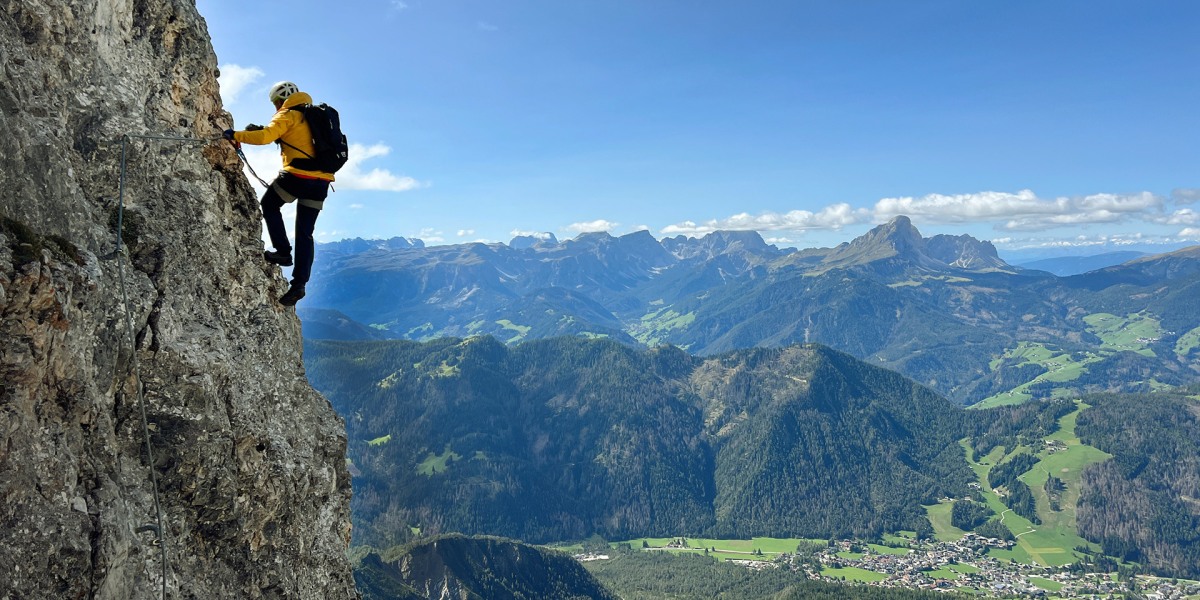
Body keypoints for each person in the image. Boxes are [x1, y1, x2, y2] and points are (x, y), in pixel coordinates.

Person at [223, 81, 333, 306]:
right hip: (322, 180)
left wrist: (234, 134)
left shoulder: (287, 115)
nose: (275, 107)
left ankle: (283, 251)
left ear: (280, 100)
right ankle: (299, 285)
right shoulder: (314, 115)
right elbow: (285, 136)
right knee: (305, 233)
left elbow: (265, 137)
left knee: (270, 205)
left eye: (275, 103)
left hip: (297, 176)